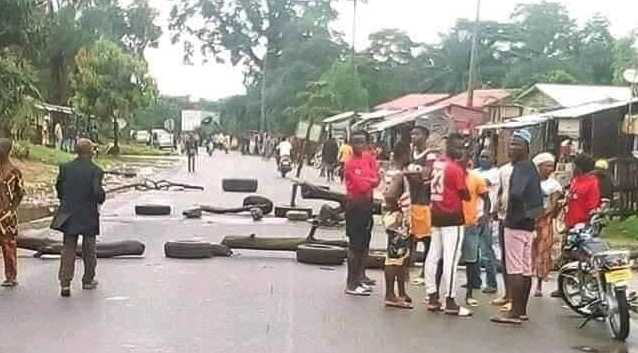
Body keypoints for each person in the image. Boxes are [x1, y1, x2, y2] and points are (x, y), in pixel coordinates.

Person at [491, 129, 543, 325]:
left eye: (516, 145)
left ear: (526, 148)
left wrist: (510, 208)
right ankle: (522, 311)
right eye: (511, 144)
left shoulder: (521, 168)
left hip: (515, 222)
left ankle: (513, 311)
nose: (511, 148)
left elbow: (517, 193)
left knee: (514, 268)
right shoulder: (531, 167)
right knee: (525, 268)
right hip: (528, 224)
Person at [424, 133, 471, 316]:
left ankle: (432, 296)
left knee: (433, 256)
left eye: (462, 148)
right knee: (451, 259)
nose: (461, 151)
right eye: (458, 147)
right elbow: (465, 193)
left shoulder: (437, 165)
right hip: (452, 216)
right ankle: (450, 300)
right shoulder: (455, 169)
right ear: (449, 147)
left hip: (436, 214)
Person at [55, 139, 106, 297]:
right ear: (90, 151)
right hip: (88, 213)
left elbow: (59, 188)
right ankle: (88, 279)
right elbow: (97, 192)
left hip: (68, 212)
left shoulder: (65, 168)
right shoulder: (95, 170)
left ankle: (65, 284)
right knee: (89, 248)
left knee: (68, 248)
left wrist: (66, 199)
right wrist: (101, 198)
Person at [550, 153, 600, 299]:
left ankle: (584, 285)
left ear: (581, 167)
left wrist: (585, 226)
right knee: (566, 255)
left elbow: (592, 207)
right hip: (569, 223)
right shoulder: (575, 180)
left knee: (581, 257)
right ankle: (563, 287)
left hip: (582, 226)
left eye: (575, 165)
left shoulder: (592, 183)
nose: (572, 167)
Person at [344, 131, 379, 296]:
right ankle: (351, 284)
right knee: (354, 246)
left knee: (364, 244)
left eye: (362, 142)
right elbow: (362, 186)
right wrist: (369, 181)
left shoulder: (367, 159)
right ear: (351, 144)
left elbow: (376, 179)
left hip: (366, 206)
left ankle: (359, 279)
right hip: (355, 206)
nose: (359, 146)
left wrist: (369, 181)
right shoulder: (350, 164)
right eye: (356, 142)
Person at [383, 142, 413, 308]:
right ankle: (390, 294)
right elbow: (390, 195)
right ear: (404, 156)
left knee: (401, 257)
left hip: (396, 218)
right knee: (394, 258)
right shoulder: (399, 175)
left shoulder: (392, 172)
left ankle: (401, 292)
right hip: (397, 219)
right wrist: (398, 211)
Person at [461, 149, 490, 307]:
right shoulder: (451, 176)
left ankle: (470, 293)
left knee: (471, 260)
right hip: (451, 225)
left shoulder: (476, 178)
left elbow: (487, 199)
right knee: (444, 259)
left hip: (470, 224)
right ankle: (438, 293)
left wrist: (484, 215)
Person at [531, 152, 562, 298]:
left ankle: (539, 284)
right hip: (529, 221)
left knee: (543, 252)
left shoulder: (554, 185)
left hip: (545, 222)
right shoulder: (531, 182)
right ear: (539, 166)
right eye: (547, 166)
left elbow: (553, 204)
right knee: (529, 252)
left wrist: (541, 215)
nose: (550, 169)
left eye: (551, 166)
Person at [0, 139, 25, 287]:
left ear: (7, 151)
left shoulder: (15, 171)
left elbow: (20, 193)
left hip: (7, 217)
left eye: (2, 148)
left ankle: (11, 276)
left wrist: (11, 210)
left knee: (8, 246)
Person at [474, 149, 500, 294]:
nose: (482, 159)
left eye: (486, 156)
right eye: (481, 156)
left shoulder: (495, 173)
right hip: (472, 214)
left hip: (485, 215)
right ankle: (474, 280)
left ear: (493, 158)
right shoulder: (475, 171)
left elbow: (481, 183)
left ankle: (492, 283)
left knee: (486, 251)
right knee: (473, 251)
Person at [491, 160, 514, 310]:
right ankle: (507, 294)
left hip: (516, 218)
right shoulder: (503, 169)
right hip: (502, 216)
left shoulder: (525, 169)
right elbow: (500, 190)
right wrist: (495, 208)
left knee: (514, 260)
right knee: (505, 257)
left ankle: (514, 297)